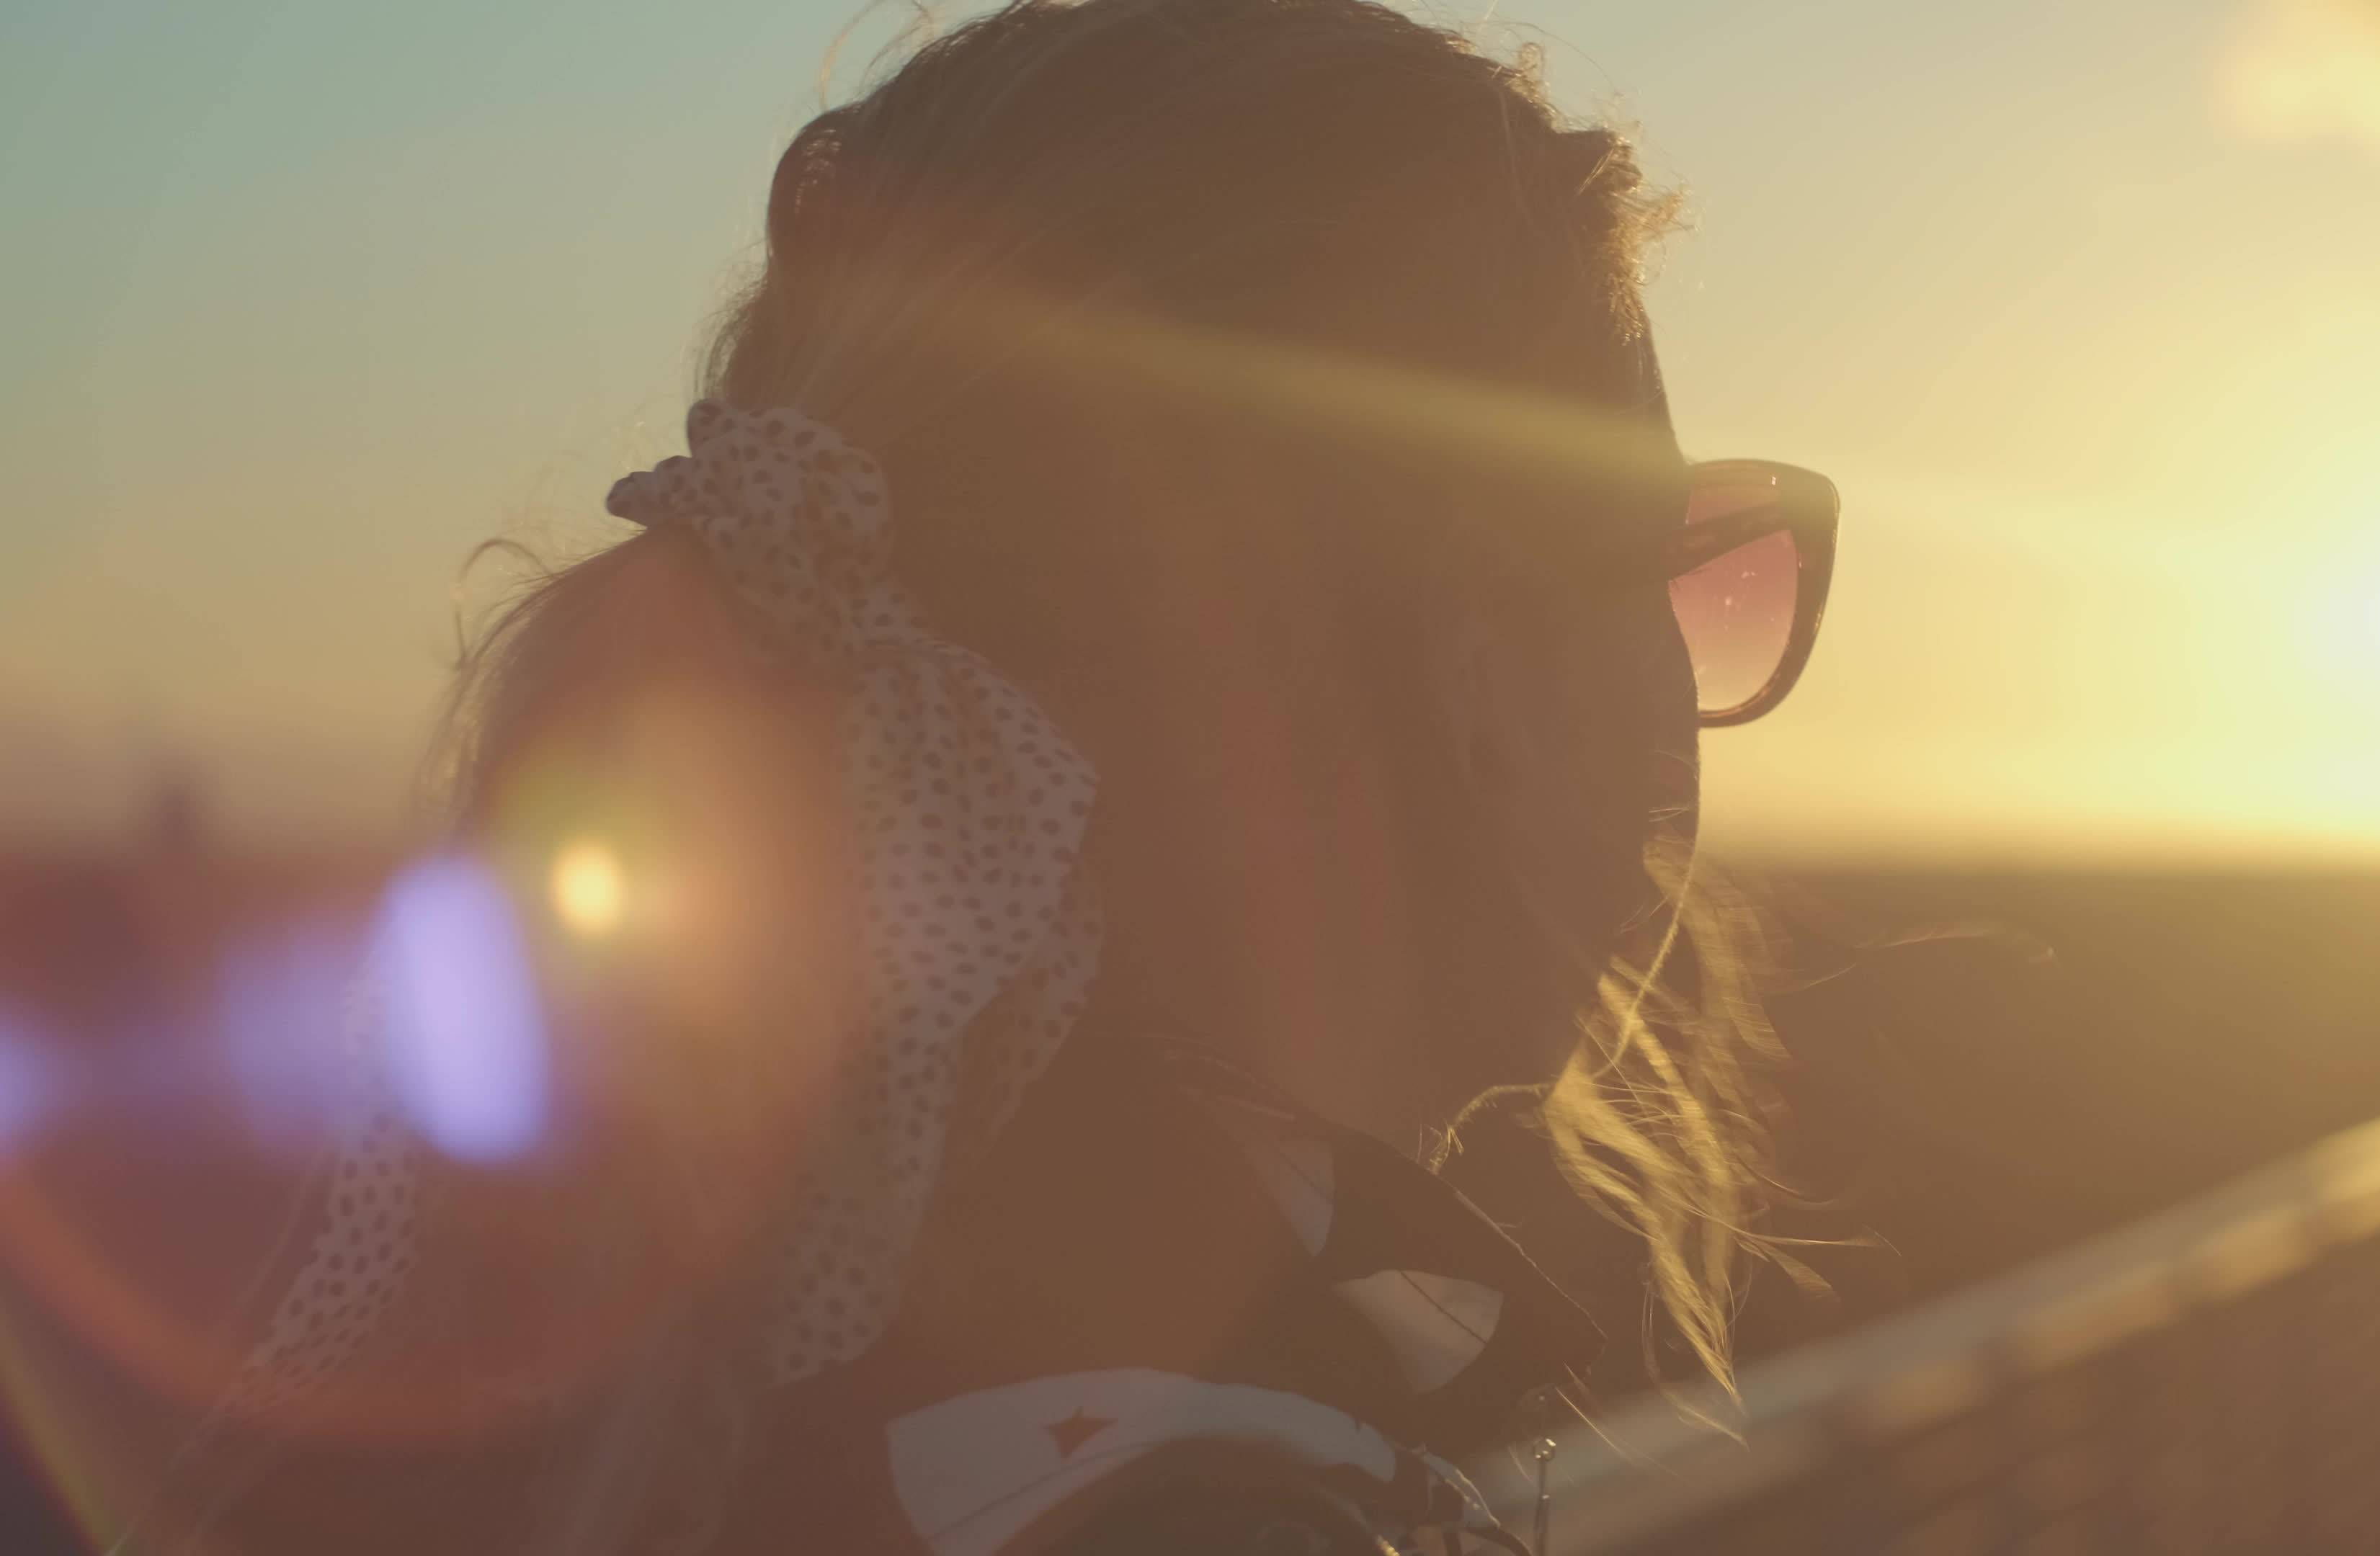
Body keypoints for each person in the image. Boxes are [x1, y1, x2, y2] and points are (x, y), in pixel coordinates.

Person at [178, 1, 1840, 1551]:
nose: (1678, 704)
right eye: (1660, 564)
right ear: (1476, 653)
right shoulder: (1208, 1496)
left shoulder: (715, 1357)